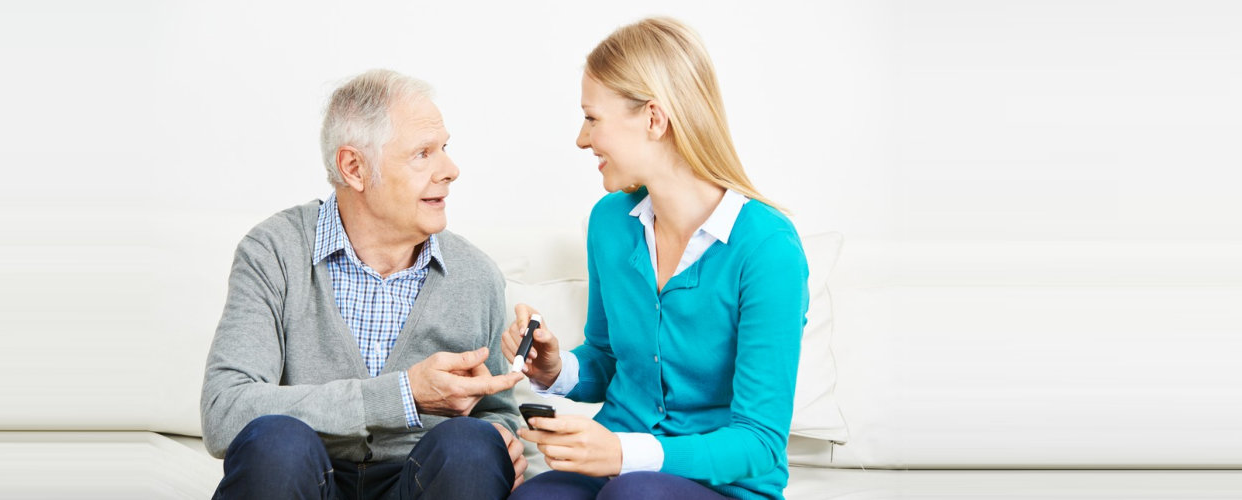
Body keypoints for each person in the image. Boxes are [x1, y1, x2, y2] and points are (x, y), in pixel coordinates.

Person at [508, 17, 810, 500]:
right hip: (614, 470)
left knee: (636, 496)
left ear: (653, 118)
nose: (582, 140)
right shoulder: (610, 221)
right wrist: (554, 368)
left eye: (592, 118)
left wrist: (625, 455)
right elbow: (609, 358)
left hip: (721, 483)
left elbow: (759, 441)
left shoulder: (767, 248)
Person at [201, 69, 527, 500]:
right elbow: (225, 412)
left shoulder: (476, 274)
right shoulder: (275, 252)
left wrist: (503, 437)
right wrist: (402, 395)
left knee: (472, 447)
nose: (450, 170)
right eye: (422, 153)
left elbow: (497, 413)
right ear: (353, 167)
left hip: (419, 482)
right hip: (307, 479)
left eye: (444, 148)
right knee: (277, 442)